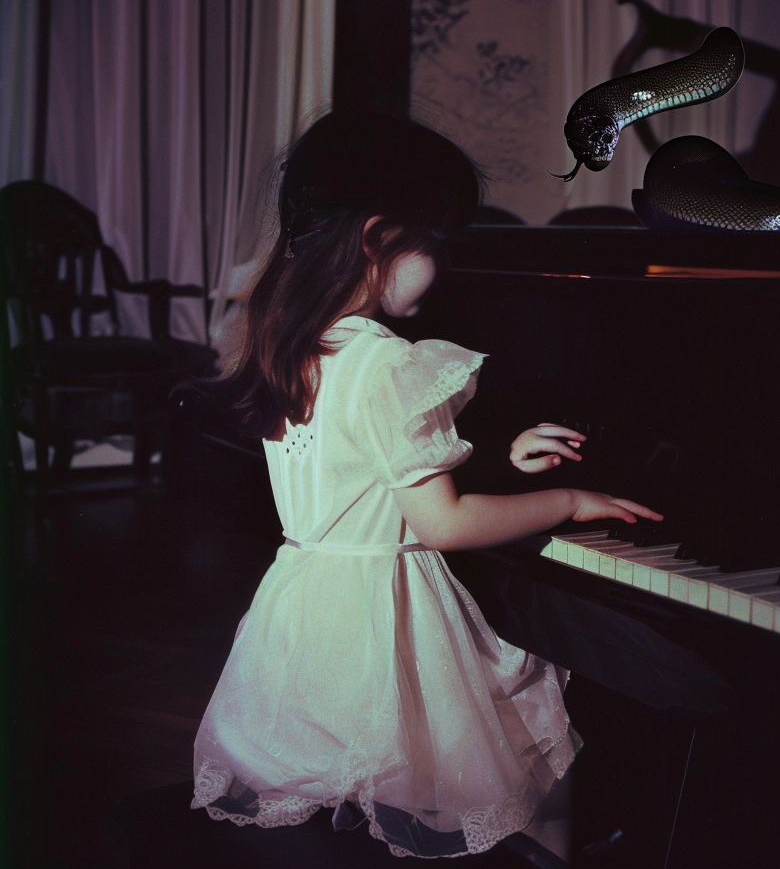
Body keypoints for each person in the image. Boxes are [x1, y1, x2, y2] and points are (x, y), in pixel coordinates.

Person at [191, 109, 662, 861]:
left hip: (305, 619)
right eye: (437, 244)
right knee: (511, 785)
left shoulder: (290, 337)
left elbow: (366, 472)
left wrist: (500, 455)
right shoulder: (389, 363)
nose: (444, 265)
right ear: (379, 240)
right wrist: (570, 500)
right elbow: (441, 524)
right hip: (390, 622)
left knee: (375, 795)